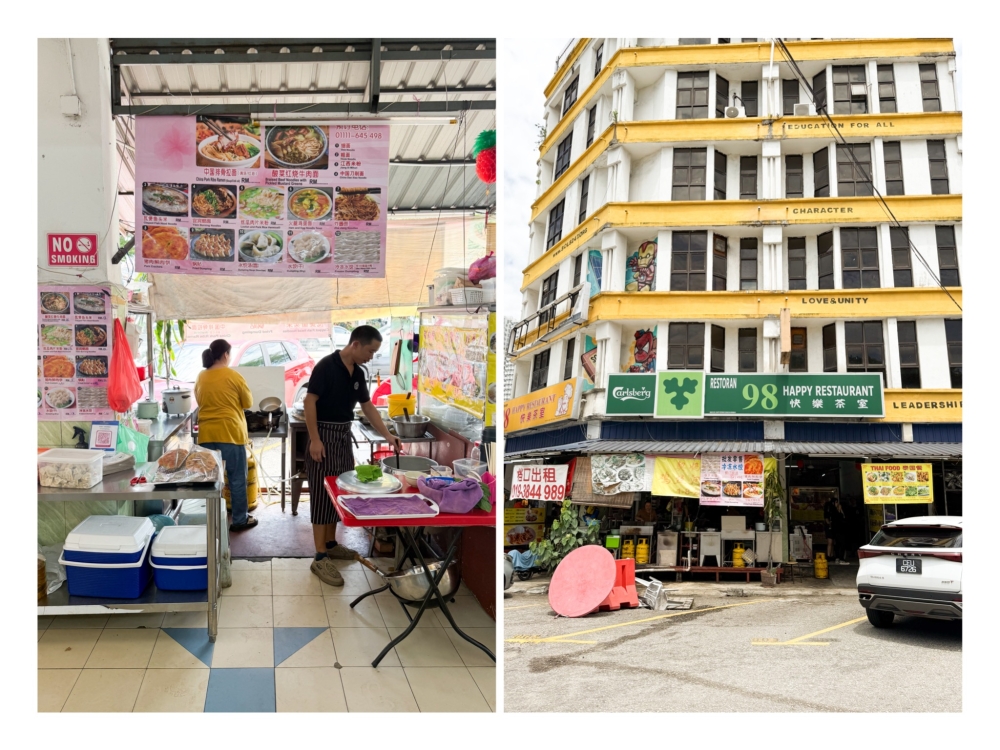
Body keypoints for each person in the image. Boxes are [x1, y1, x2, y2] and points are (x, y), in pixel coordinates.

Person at [305, 325, 402, 586]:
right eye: (370, 350)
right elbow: (309, 401)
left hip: (343, 438)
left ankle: (331, 544)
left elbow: (368, 407)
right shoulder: (326, 366)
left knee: (338, 494)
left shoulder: (358, 373)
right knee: (321, 495)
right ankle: (320, 557)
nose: (371, 356)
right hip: (322, 437)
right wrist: (314, 439)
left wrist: (388, 435)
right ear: (355, 344)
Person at [194, 339, 256, 532]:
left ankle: (212, 521)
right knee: (237, 478)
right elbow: (248, 403)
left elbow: (199, 399)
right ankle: (239, 520)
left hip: (206, 434)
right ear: (226, 355)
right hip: (231, 433)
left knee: (211, 480)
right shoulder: (233, 376)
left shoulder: (201, 377)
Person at [825, 496, 850, 564]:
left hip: (839, 530)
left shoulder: (836, 511)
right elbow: (840, 519)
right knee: (841, 544)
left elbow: (844, 518)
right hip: (838, 530)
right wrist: (839, 511)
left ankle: (837, 557)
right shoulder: (833, 512)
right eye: (836, 502)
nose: (837, 504)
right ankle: (839, 558)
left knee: (838, 544)